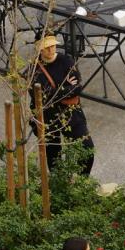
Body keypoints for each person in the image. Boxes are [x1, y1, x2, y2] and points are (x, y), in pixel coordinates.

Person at [30, 35, 94, 175]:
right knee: (54, 156)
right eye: (46, 47)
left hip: (71, 113)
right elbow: (43, 97)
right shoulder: (35, 70)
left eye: (52, 45)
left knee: (87, 148)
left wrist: (56, 91)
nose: (50, 49)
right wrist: (66, 88)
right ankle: (60, 184)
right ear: (39, 49)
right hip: (48, 117)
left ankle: (83, 181)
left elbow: (77, 88)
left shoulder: (66, 61)